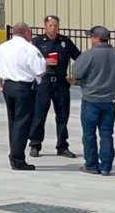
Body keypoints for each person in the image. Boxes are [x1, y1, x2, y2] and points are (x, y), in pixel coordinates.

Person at [68, 25, 115, 175]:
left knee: (89, 134)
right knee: (106, 133)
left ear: (96, 38)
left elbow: (76, 72)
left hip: (91, 99)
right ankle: (106, 166)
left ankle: (91, 165)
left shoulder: (89, 55)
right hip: (110, 100)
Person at [0, 23, 47, 171]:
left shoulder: (2, 48)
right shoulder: (30, 49)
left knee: (13, 122)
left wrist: (0, 87)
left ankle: (14, 153)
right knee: (22, 123)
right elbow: (39, 70)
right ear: (27, 33)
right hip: (24, 88)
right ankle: (18, 159)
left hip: (8, 86)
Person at [28, 15, 79, 159]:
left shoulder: (64, 42)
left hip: (61, 83)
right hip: (44, 82)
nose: (53, 28)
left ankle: (62, 146)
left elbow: (80, 58)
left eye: (55, 25)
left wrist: (74, 77)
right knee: (39, 114)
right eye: (50, 25)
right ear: (45, 26)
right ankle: (35, 145)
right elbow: (29, 60)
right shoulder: (37, 42)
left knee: (62, 115)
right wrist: (44, 61)